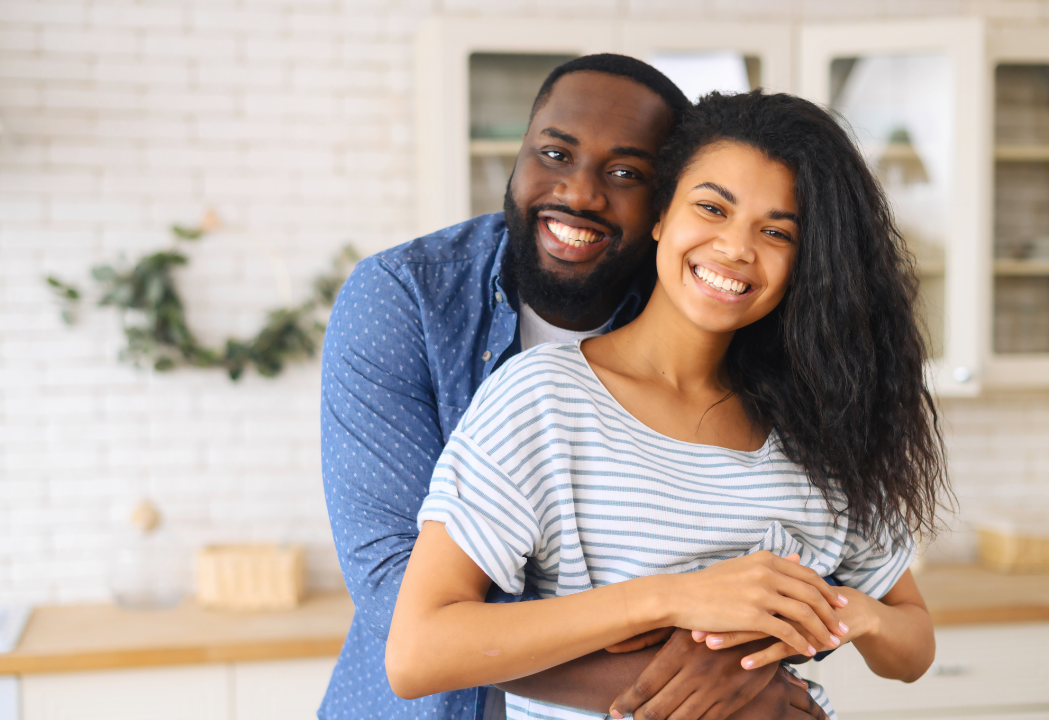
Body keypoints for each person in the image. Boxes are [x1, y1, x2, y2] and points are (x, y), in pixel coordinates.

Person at [385, 90, 951, 720]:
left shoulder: (818, 423)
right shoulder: (544, 400)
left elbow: (912, 647)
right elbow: (417, 653)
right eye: (711, 208)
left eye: (775, 232)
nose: (736, 248)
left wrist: (844, 613)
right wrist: (674, 598)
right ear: (661, 215)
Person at [320, 56, 829, 720]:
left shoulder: (695, 302)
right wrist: (719, 687)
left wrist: (736, 655)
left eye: (625, 174)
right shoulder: (403, 298)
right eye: (554, 153)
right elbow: (401, 600)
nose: (581, 193)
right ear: (519, 156)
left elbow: (800, 552)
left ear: (664, 202)